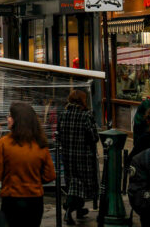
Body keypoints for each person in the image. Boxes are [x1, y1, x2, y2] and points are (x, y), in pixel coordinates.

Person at [0, 102, 56, 227]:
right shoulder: (40, 144)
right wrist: (33, 179)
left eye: (10, 116)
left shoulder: (3, 144)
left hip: (11, 200)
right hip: (35, 201)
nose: (8, 118)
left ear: (18, 120)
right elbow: (50, 175)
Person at [57, 89, 99, 225]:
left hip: (68, 156)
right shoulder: (86, 115)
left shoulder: (63, 114)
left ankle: (79, 210)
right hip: (83, 157)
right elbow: (94, 137)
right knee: (81, 185)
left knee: (73, 184)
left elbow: (58, 135)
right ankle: (69, 211)